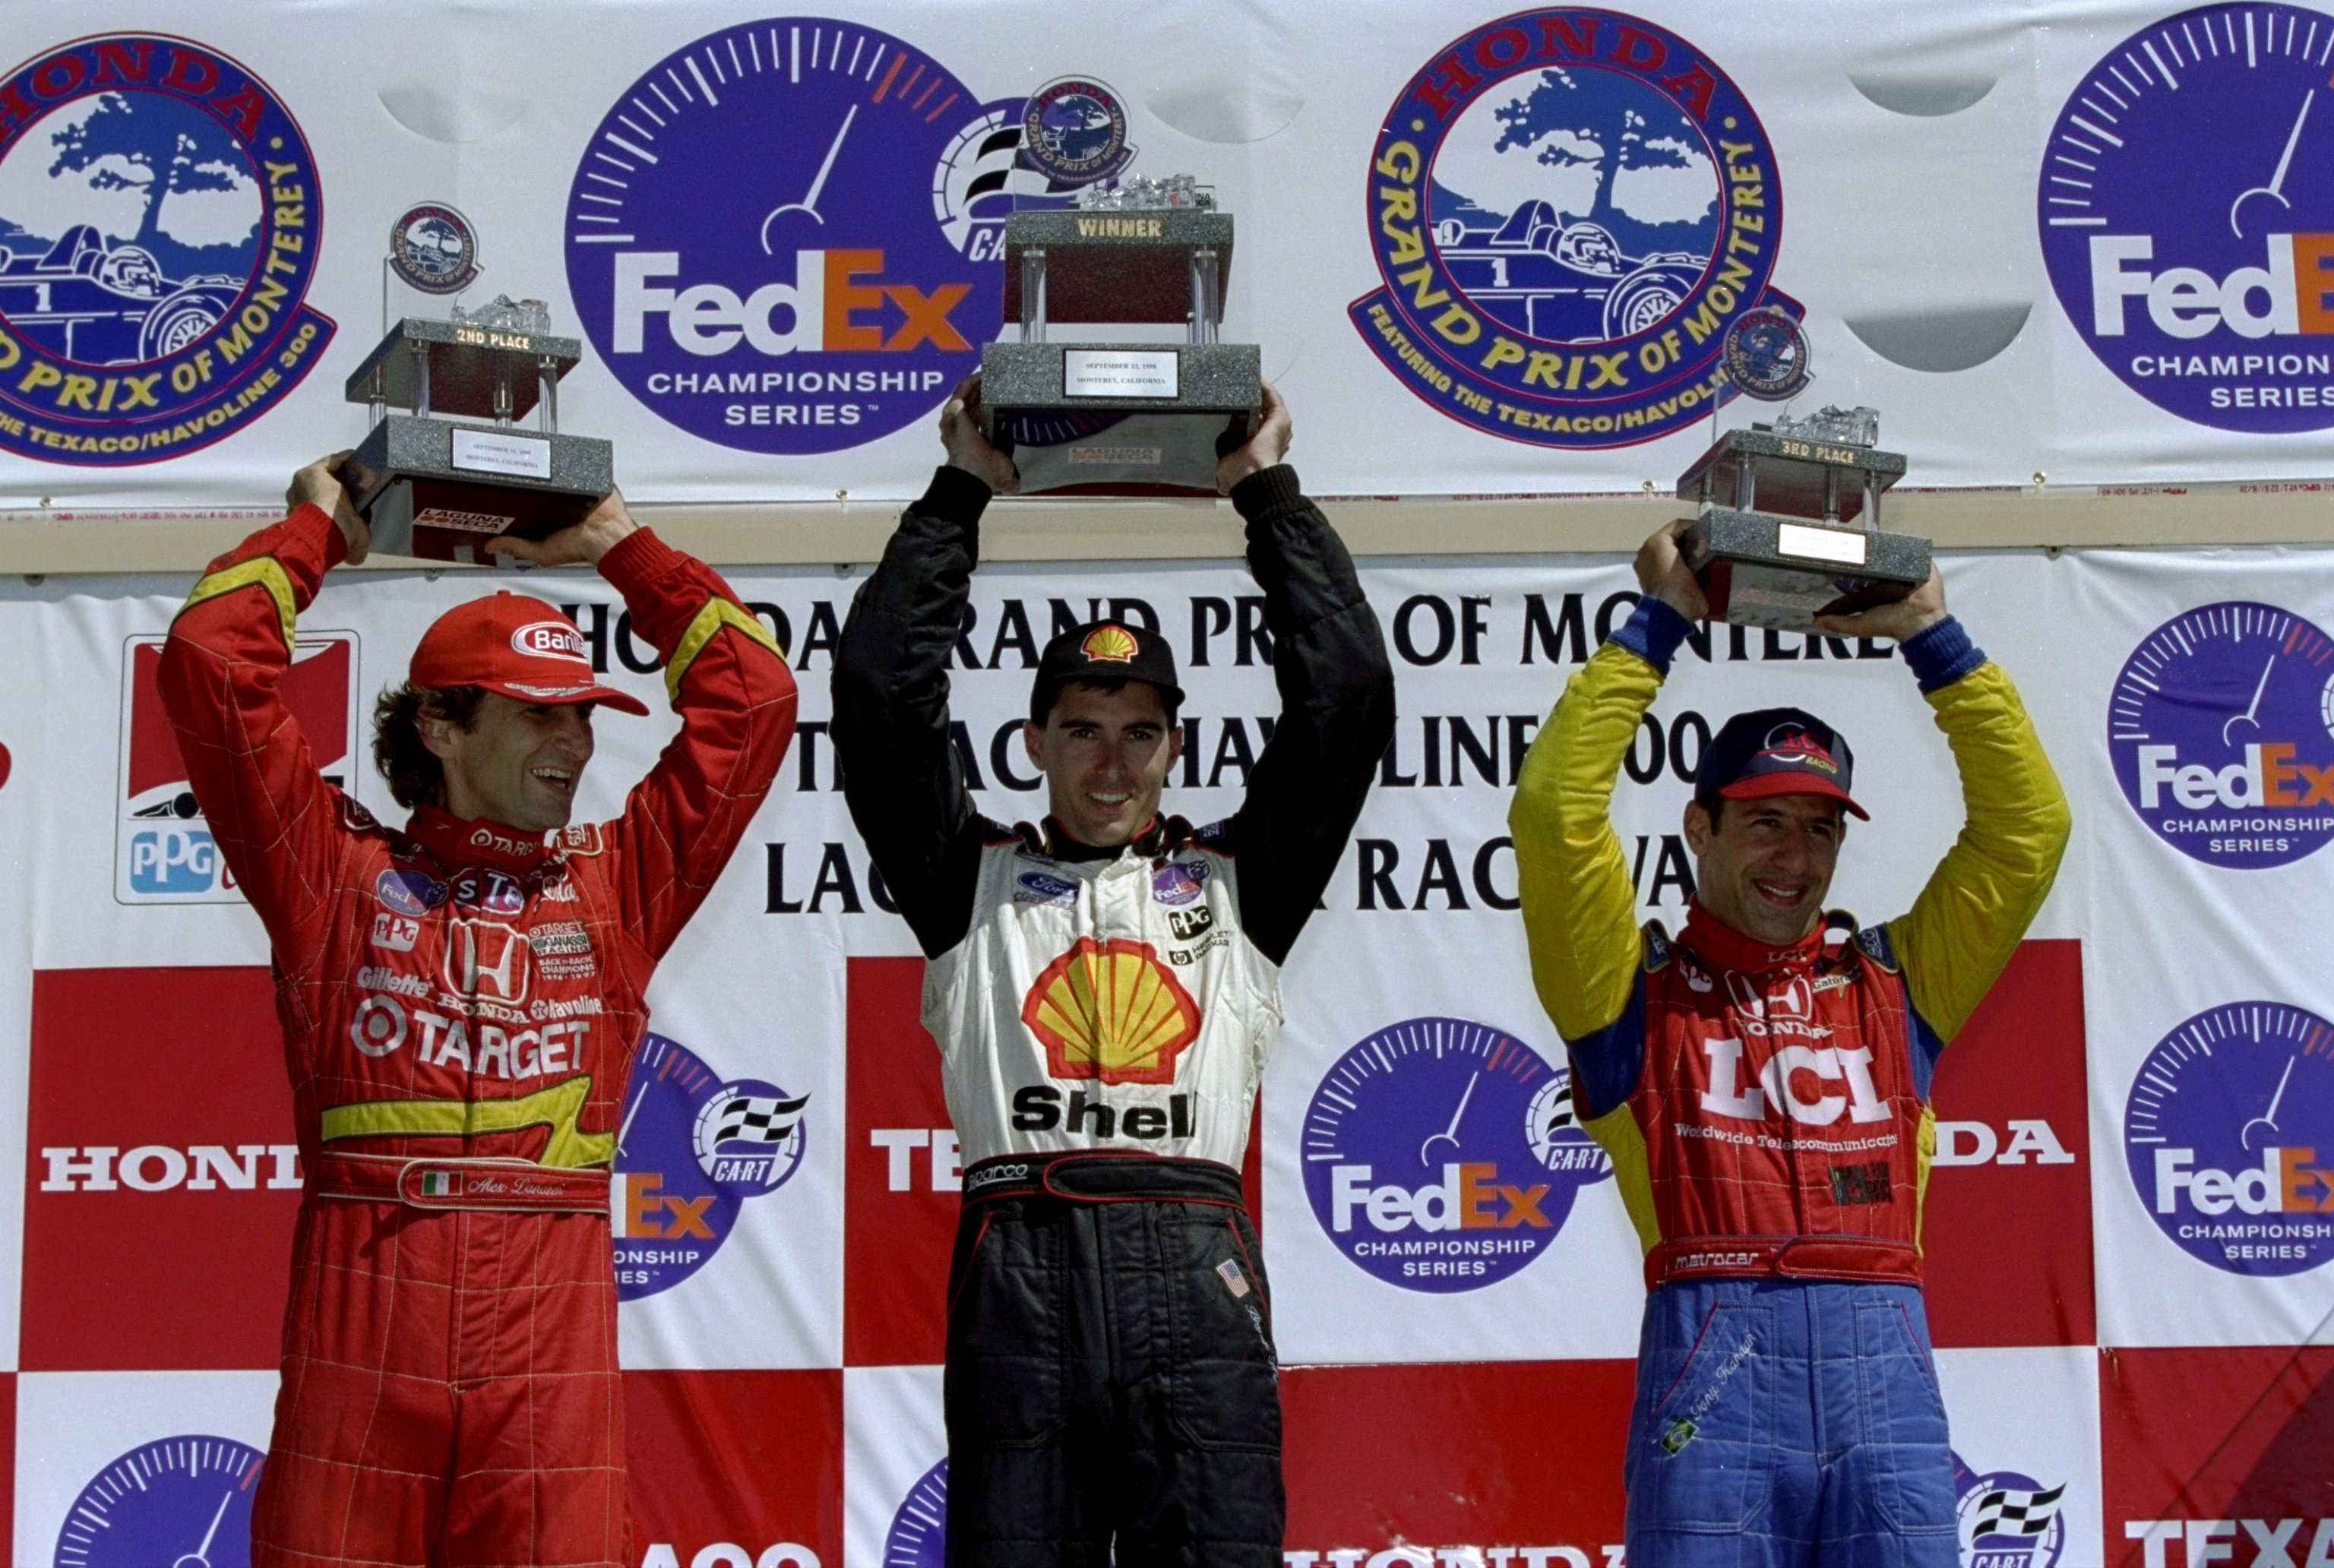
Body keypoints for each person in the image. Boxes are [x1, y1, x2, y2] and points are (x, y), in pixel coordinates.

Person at [158, 457, 797, 1568]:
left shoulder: (616, 885)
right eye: (538, 717)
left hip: (551, 1346)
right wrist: (320, 532)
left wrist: (622, 549)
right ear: (441, 729)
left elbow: (755, 701)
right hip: (364, 1313)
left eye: (584, 719)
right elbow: (211, 662)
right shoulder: (333, 874)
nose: (574, 747)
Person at [832, 380, 1393, 1567]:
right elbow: (883, 695)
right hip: (1019, 1263)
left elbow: (1345, 698)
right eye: (1081, 729)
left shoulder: (1244, 882)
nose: (1110, 762)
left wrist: (1265, 492)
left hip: (1193, 1264)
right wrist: (962, 492)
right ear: (1031, 741)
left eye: (1141, 732)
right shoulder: (962, 880)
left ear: (1177, 746)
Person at [1509, 520, 2070, 1566]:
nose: (1795, 858)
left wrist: (1931, 637)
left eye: (1821, 827)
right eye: (1765, 822)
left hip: (1886, 1369)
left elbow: (2027, 831)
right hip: (1714, 1368)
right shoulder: (1627, 990)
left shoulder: (1900, 980)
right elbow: (1554, 815)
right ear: (1698, 829)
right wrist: (1662, 619)